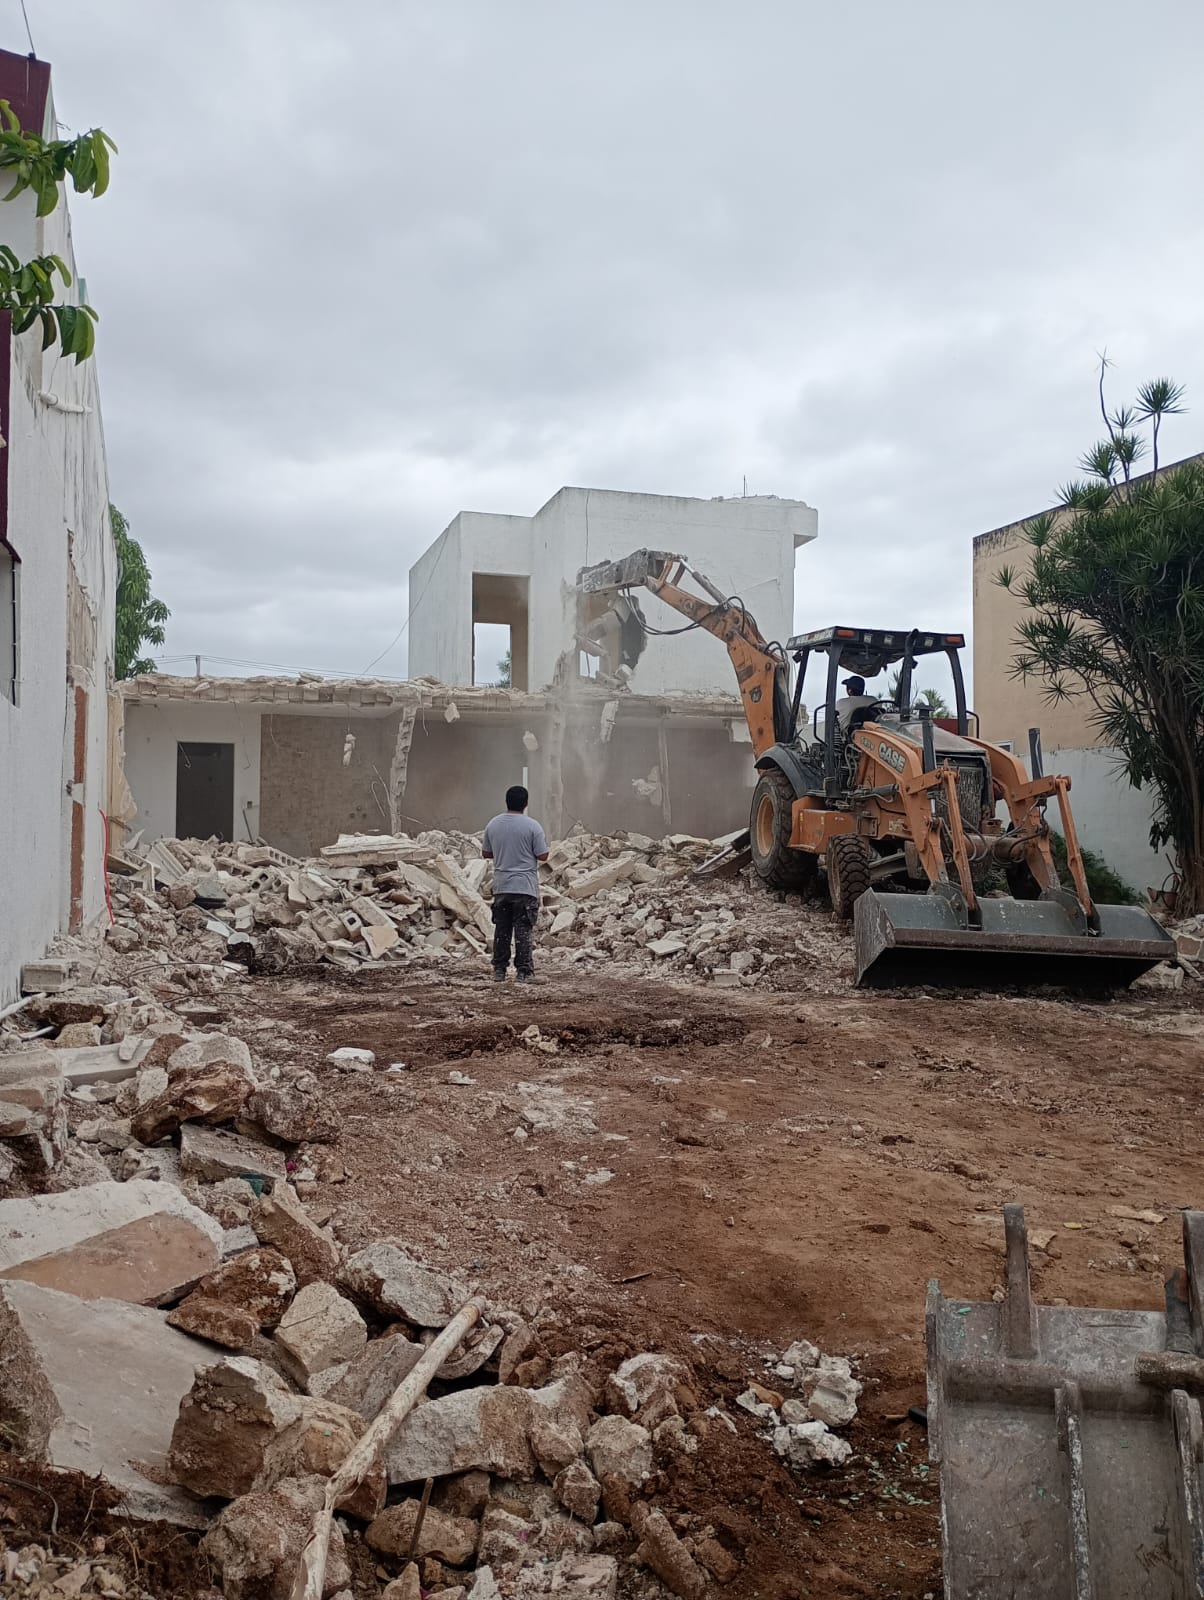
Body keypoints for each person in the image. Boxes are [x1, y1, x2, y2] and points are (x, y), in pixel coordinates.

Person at [482, 785, 549, 983]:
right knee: (523, 930)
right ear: (526, 803)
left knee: (502, 929)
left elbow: (486, 853)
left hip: (502, 886)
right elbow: (543, 855)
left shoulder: (493, 824)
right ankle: (523, 972)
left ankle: (499, 971)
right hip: (524, 886)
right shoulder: (533, 826)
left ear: (507, 801)